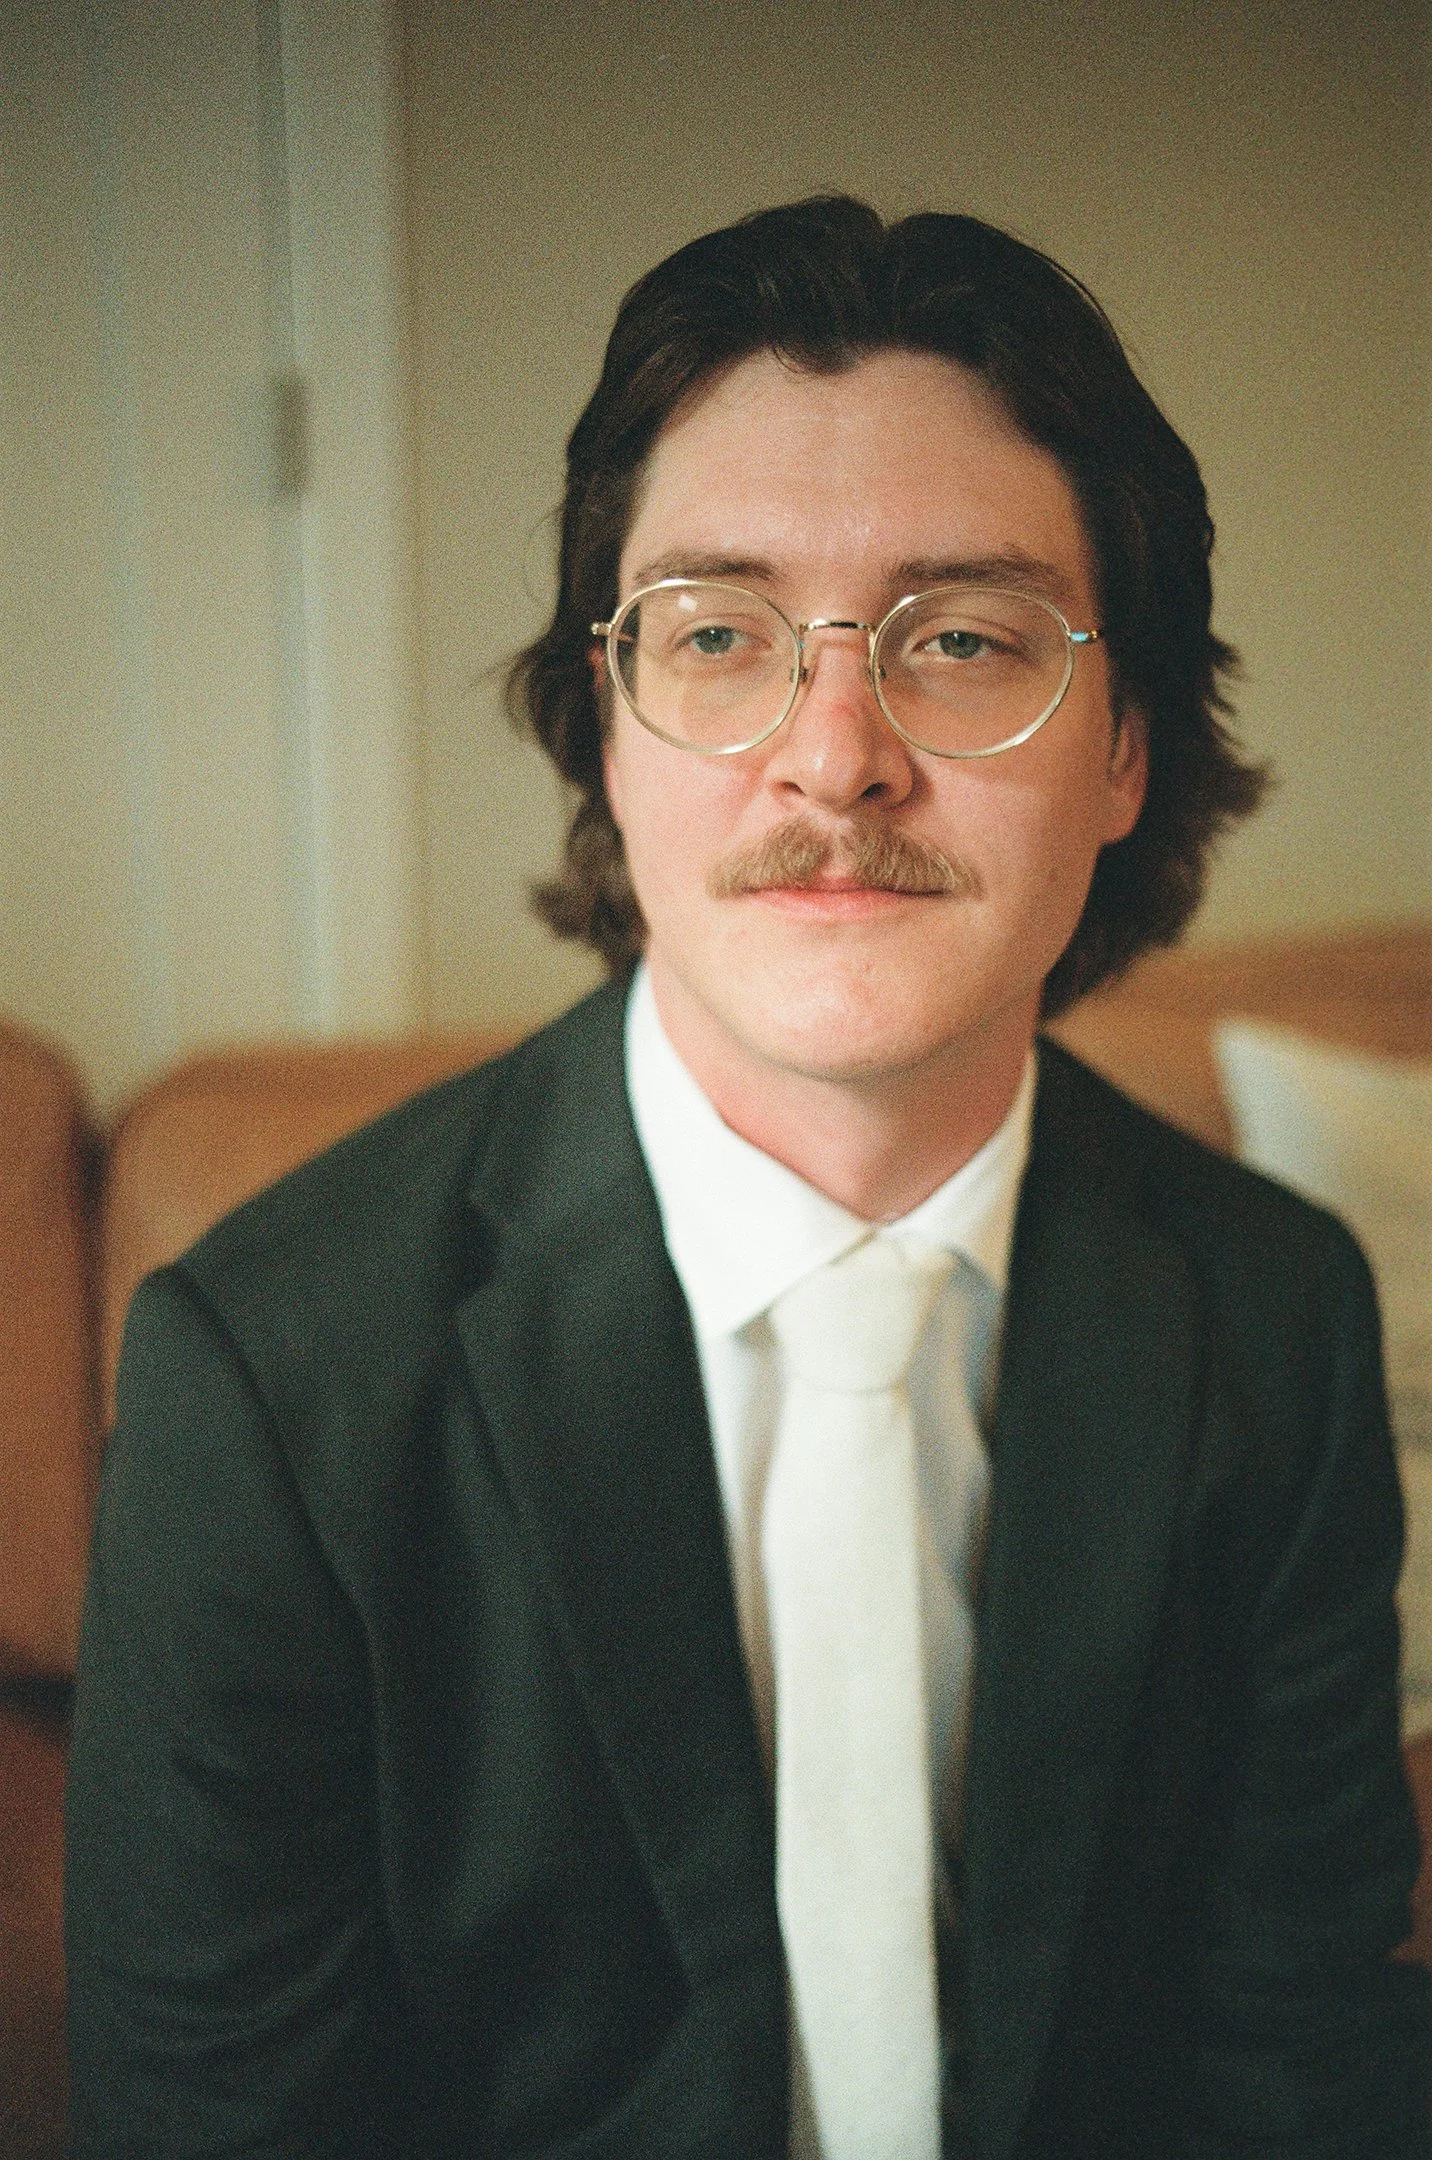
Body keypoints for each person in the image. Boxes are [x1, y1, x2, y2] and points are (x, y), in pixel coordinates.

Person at [66, 197, 1430, 2158]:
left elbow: (1291, 2057)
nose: (833, 754)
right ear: (603, 730)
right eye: (717, 635)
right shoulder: (266, 1378)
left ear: (1127, 743)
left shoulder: (1272, 1311)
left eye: (959, 639)